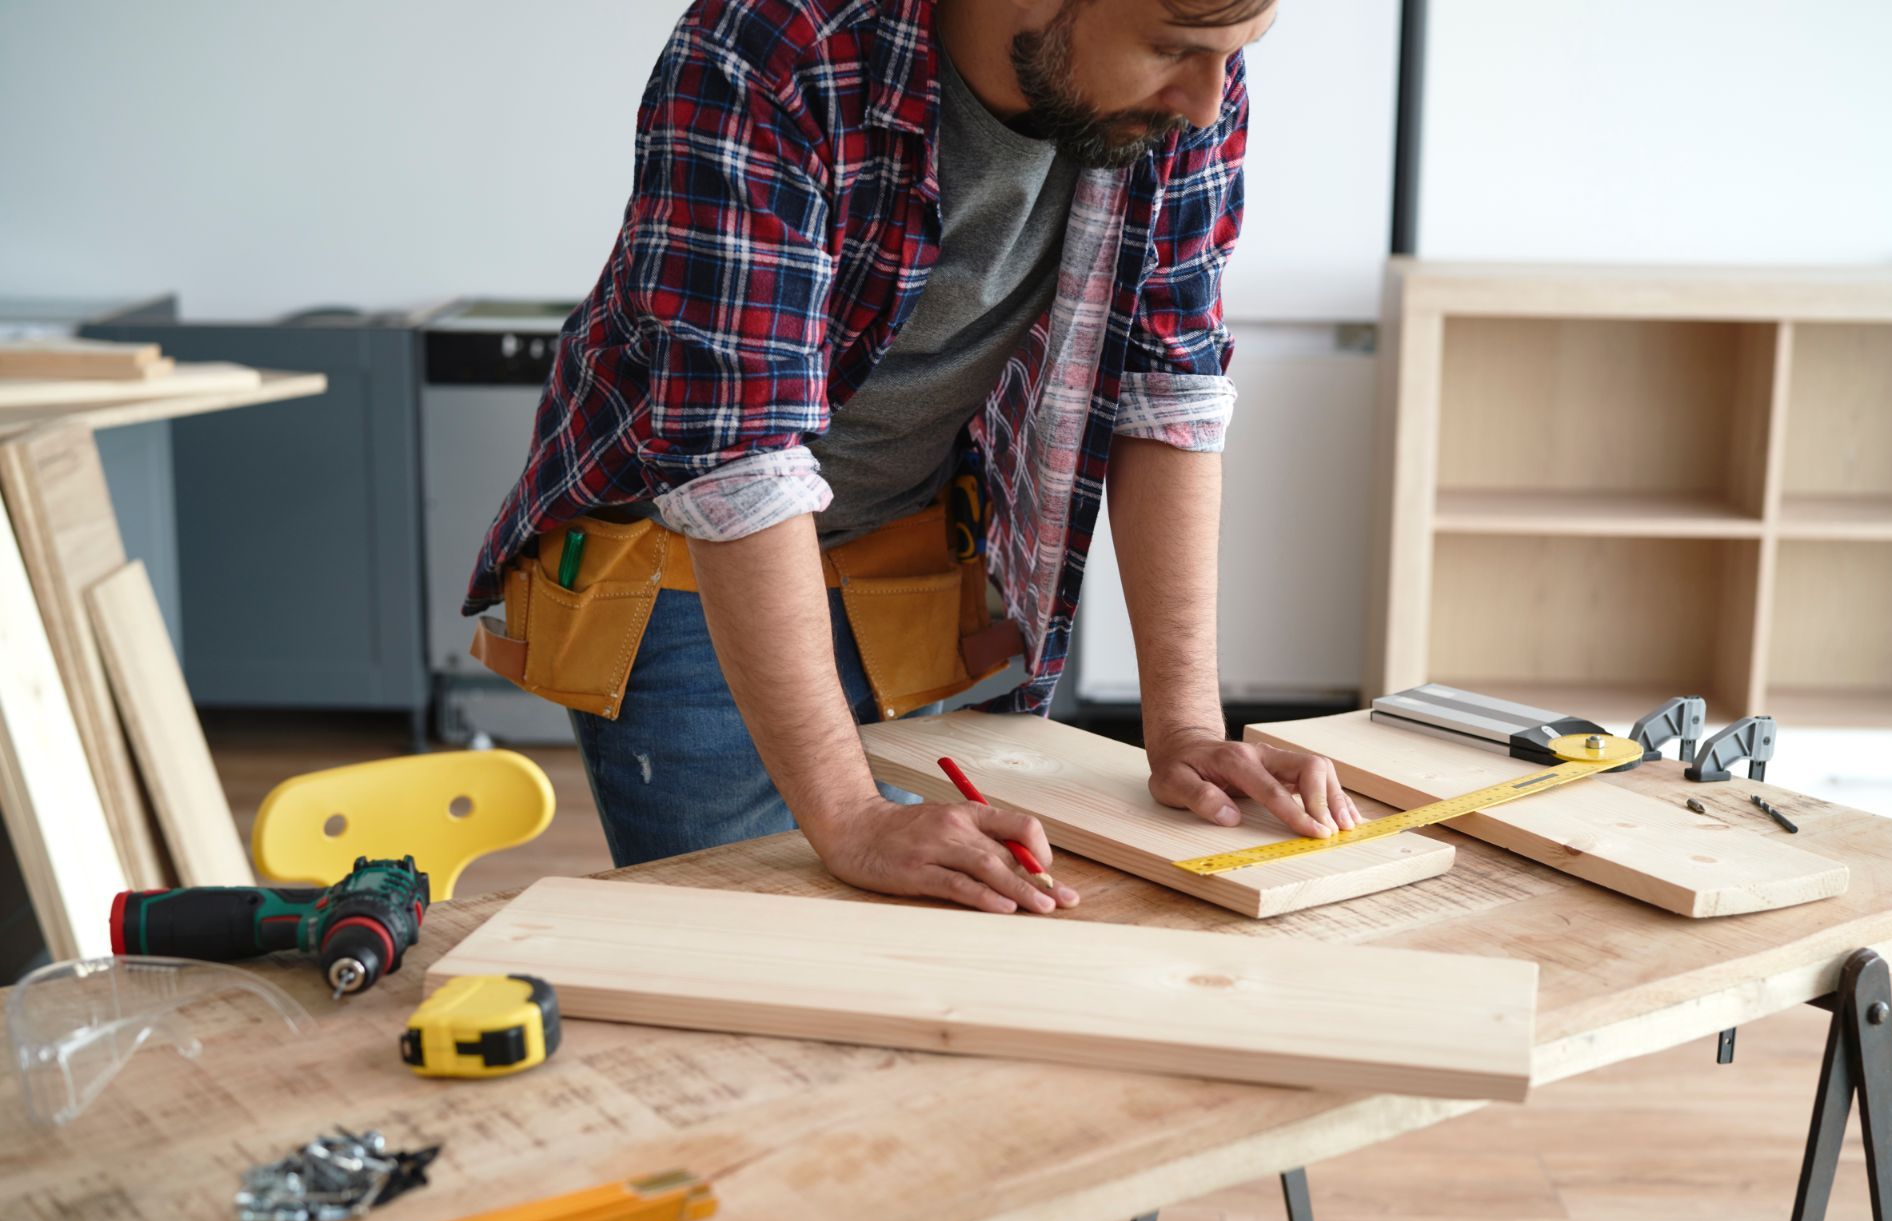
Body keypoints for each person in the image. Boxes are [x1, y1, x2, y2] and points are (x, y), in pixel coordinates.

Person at [463, 0, 1365, 917]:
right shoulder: (774, 47)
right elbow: (735, 461)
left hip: (903, 549)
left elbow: (1166, 389)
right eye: (1174, 52)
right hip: (689, 566)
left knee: (912, 934)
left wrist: (1182, 731)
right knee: (754, 957)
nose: (1212, 101)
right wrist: (849, 815)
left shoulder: (1182, 81)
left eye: (1232, 57)